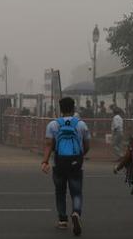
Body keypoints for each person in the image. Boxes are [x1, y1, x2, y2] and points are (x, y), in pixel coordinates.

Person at [41, 96, 90, 236]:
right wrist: (79, 155)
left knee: (60, 191)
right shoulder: (81, 124)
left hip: (59, 162)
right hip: (76, 163)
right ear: (73, 108)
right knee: (76, 191)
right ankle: (76, 212)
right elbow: (87, 146)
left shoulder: (53, 125)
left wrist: (44, 161)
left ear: (60, 109)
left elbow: (49, 145)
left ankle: (62, 219)